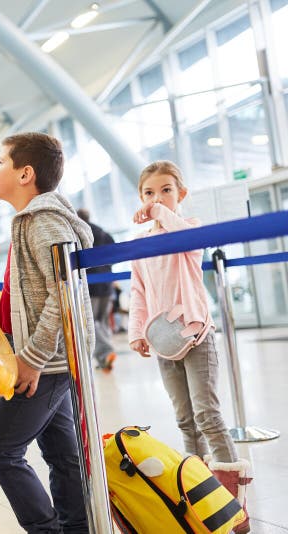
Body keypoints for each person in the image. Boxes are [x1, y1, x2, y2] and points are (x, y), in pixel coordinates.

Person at [128, 160, 251, 533]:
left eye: (166, 190)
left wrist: (161, 211)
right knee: (184, 419)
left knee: (208, 416)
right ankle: (199, 495)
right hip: (163, 341)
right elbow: (139, 289)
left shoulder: (188, 229)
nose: (157, 198)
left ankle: (234, 505)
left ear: (181, 194)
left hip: (197, 335)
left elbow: (183, 233)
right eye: (149, 193)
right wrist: (137, 331)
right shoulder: (140, 241)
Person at [0, 132, 94, 533]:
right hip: (46, 356)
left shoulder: (43, 221)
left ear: (25, 173)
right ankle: (78, 527)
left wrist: (30, 360)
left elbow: (62, 295)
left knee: (2, 452)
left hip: (46, 362)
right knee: (62, 453)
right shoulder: (29, 221)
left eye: (0, 162)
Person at [76, 208, 117, 371]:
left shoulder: (79, 233)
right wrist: (107, 268)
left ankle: (106, 353)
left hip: (90, 286)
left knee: (92, 323)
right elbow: (114, 252)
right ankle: (104, 358)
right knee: (103, 321)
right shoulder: (103, 233)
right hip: (106, 284)